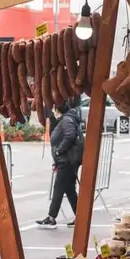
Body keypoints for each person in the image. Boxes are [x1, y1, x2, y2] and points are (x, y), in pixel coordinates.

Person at [37, 97, 83, 228]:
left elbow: (70, 135)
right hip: (67, 160)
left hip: (66, 160)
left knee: (58, 188)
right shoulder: (66, 119)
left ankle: (51, 218)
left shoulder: (67, 120)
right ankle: (81, 216)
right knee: (69, 190)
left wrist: (59, 151)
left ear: (58, 109)